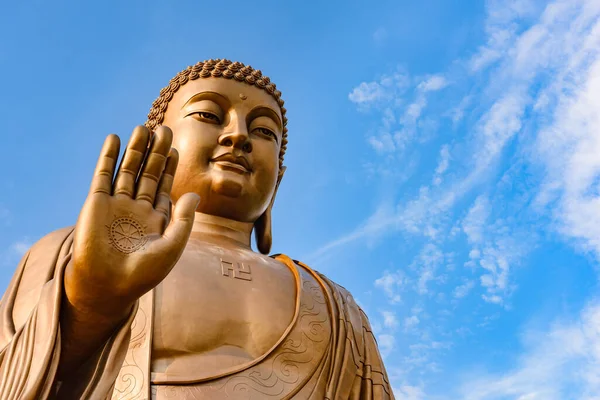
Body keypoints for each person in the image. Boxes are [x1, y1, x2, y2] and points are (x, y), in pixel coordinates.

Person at [0, 59, 394, 399]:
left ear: (280, 179)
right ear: (155, 147)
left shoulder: (337, 307)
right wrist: (87, 303)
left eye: (264, 132)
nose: (237, 135)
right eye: (208, 114)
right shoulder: (77, 251)